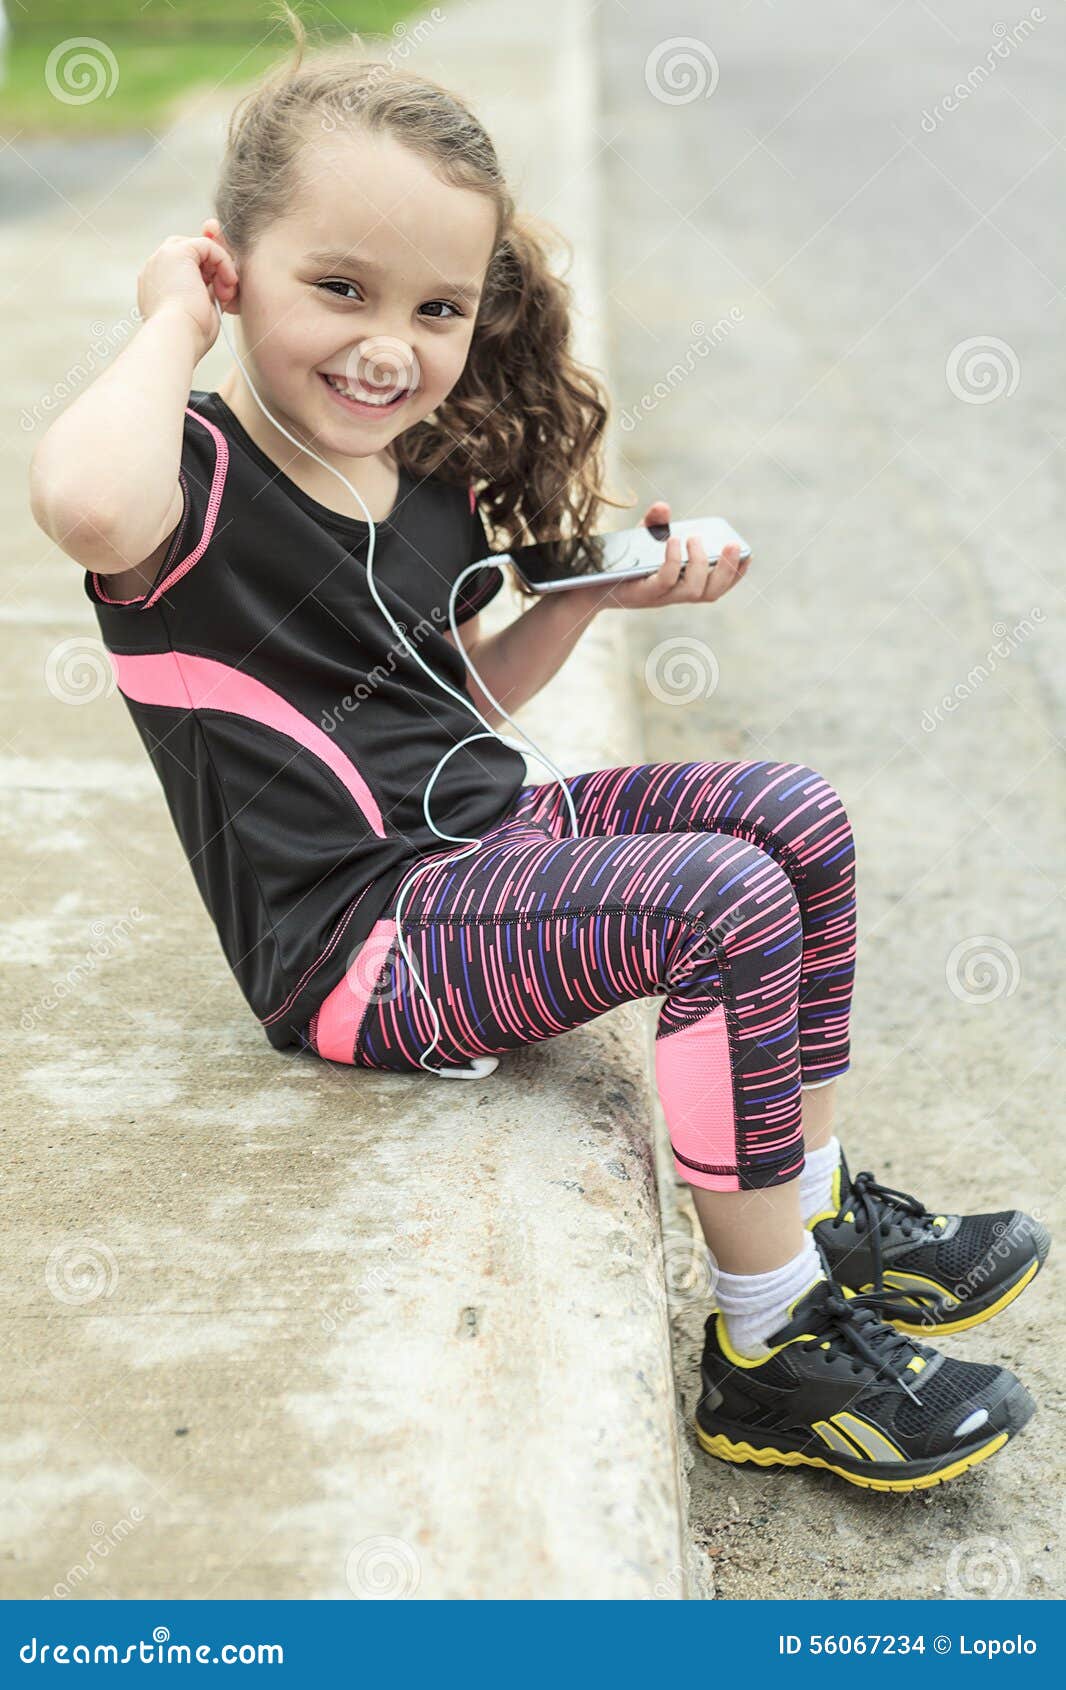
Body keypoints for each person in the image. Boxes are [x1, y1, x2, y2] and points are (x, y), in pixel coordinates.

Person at [29, 21, 1048, 1494]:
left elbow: (458, 711)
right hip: (358, 948)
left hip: (478, 856)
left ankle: (813, 1209)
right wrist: (163, 327)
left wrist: (585, 592)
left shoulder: (423, 474)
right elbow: (74, 499)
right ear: (226, 265)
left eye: (436, 307)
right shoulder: (187, 482)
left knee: (791, 814)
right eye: (338, 288)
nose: (391, 345)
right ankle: (768, 1345)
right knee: (713, 899)